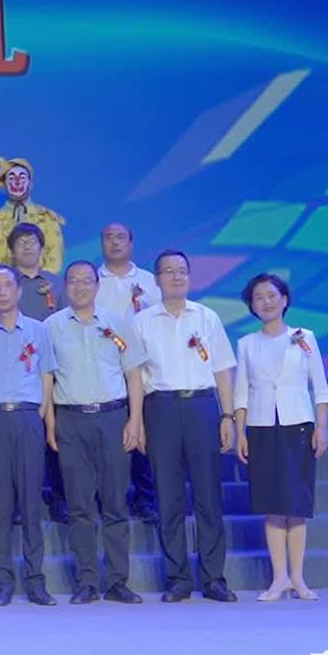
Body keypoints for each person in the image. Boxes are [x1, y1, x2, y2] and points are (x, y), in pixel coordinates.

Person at [134, 249, 239, 603]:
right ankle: (177, 578)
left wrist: (227, 416)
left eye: (182, 271)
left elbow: (222, 370)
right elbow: (137, 377)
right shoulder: (142, 322)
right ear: (156, 280)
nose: (176, 276)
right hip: (160, 409)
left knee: (209, 497)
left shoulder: (207, 317)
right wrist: (139, 422)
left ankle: (213, 578)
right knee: (169, 498)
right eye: (168, 271)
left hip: (202, 408)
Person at [44, 260, 147, 605]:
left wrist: (135, 420)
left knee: (116, 503)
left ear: (97, 286)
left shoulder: (117, 323)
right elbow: (47, 379)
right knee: (79, 505)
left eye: (86, 280)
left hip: (113, 417)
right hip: (71, 420)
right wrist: (50, 423)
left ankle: (118, 581)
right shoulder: (51, 327)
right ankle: (86, 581)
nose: (80, 286)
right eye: (73, 280)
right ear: (65, 287)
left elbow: (134, 375)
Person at [235, 273, 328, 602]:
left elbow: (320, 387)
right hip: (261, 428)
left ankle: (299, 579)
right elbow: (241, 393)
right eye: (259, 297)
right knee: (272, 505)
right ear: (252, 305)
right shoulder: (247, 343)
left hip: (298, 425)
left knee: (296, 505)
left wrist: (321, 427)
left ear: (285, 300)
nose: (266, 302)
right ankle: (279, 579)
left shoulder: (304, 337)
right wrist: (240, 432)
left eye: (272, 295)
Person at [0, 265, 58, 607]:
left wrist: (40, 416)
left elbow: (47, 377)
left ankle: (35, 581)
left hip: (28, 417)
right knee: (1, 503)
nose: (2, 291)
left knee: (31, 503)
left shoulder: (38, 331)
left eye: (8, 285)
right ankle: (3, 581)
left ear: (19, 291)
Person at [96, 222, 161, 521]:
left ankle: (146, 498)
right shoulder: (92, 281)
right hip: (104, 371)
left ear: (131, 243)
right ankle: (111, 499)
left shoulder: (149, 282)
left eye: (121, 237)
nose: (115, 242)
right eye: (108, 238)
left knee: (143, 435)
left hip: (144, 370)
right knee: (111, 439)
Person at [7, 222, 67, 523]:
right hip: (17, 375)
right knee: (19, 446)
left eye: (32, 242)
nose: (27, 247)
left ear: (43, 248)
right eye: (21, 242)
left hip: (54, 371)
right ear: (12, 250)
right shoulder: (5, 284)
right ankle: (20, 503)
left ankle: (60, 500)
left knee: (57, 438)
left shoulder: (57, 284)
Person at [0, 157, 65, 272]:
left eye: (22, 177)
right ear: (4, 184)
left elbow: (54, 260)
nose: (17, 181)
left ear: (30, 184)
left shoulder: (47, 219)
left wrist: (39, 280)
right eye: (11, 178)